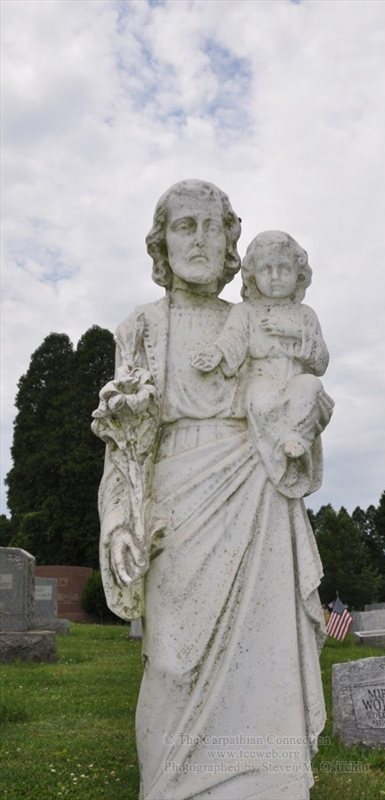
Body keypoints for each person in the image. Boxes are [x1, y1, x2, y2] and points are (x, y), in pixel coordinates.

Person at [92, 180, 329, 800]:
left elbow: (290, 392)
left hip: (257, 494)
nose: (199, 240)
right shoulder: (142, 326)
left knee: (266, 661)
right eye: (183, 226)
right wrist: (120, 522)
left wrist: (308, 413)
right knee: (171, 661)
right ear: (161, 243)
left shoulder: (254, 317)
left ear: (231, 241)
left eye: (211, 226)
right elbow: (125, 441)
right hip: (177, 498)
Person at [191, 230, 334, 498]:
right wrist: (217, 354)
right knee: (258, 398)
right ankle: (278, 452)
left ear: (298, 273)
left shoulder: (305, 315)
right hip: (262, 378)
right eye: (267, 269)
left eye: (284, 268)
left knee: (310, 386)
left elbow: (321, 362)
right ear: (253, 275)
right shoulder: (245, 311)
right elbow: (232, 339)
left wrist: (293, 332)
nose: (275, 276)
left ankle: (296, 439)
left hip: (295, 381)